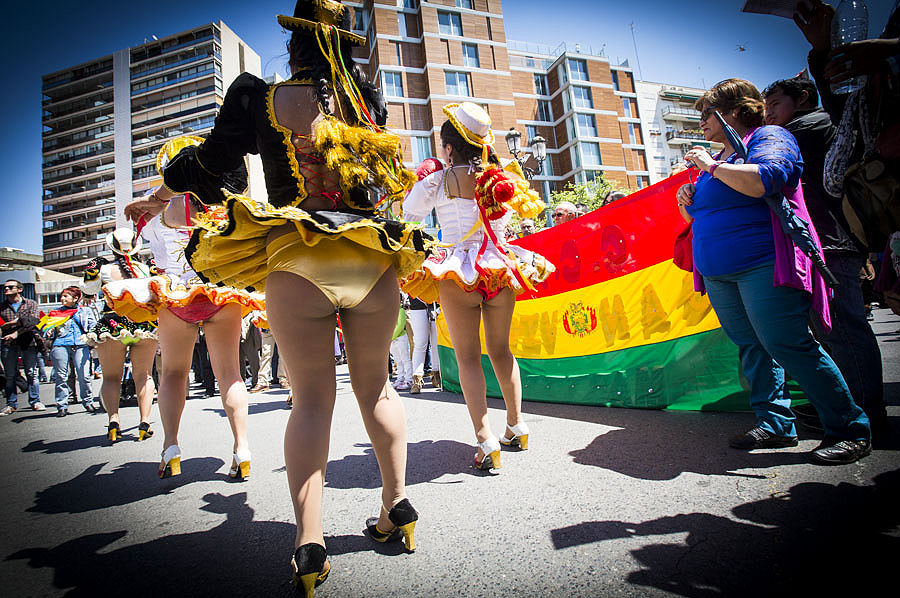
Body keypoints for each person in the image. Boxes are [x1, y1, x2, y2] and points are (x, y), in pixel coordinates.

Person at [125, 2, 434, 593]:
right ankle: (397, 507)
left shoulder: (254, 96)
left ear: (293, 41)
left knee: (312, 400)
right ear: (342, 44)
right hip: (373, 257)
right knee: (377, 387)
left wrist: (157, 193)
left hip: (299, 259)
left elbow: (209, 168)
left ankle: (309, 545)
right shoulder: (366, 96)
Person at [676, 78, 871, 465]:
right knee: (751, 346)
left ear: (732, 112)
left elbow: (767, 179)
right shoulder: (725, 158)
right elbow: (700, 216)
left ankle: (850, 428)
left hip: (763, 264)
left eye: (705, 114)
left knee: (787, 343)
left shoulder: (768, 137)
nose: (701, 123)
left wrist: (711, 167)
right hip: (719, 272)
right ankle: (776, 424)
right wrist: (687, 200)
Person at [402, 101, 554, 470]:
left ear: (450, 147)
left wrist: (427, 176)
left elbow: (409, 213)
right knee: (502, 351)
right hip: (500, 269)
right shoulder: (502, 177)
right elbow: (525, 210)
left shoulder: (438, 180)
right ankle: (517, 426)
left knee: (469, 357)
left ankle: (486, 440)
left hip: (458, 273)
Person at [763, 76, 888, 440]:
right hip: (815, 243)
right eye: (765, 108)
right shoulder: (797, 128)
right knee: (828, 332)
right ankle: (847, 410)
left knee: (843, 331)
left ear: (802, 99)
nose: (768, 116)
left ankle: (866, 415)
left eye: (774, 106)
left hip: (828, 242)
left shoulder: (810, 125)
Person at [109, 191, 263, 481]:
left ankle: (170, 447)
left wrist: (154, 200)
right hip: (219, 292)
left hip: (175, 295)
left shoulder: (155, 207)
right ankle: (242, 449)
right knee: (230, 373)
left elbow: (143, 240)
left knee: (173, 373)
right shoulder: (223, 204)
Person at [82, 228, 159, 442]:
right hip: (143, 324)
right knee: (144, 376)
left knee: (111, 377)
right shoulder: (146, 268)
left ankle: (113, 422)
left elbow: (88, 291)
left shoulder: (104, 269)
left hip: (113, 325)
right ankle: (144, 423)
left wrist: (95, 267)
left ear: (111, 247)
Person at [43, 286, 99, 417]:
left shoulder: (85, 311)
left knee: (84, 375)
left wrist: (93, 336)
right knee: (61, 377)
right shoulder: (55, 312)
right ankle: (62, 405)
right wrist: (49, 330)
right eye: (62, 296)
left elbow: (93, 326)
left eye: (66, 296)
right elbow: (45, 329)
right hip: (60, 345)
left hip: (80, 344)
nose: (62, 298)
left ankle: (88, 401)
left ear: (75, 298)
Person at [0, 280, 45, 415]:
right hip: (8, 343)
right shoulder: (2, 306)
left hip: (28, 341)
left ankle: (35, 401)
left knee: (31, 372)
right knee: (10, 375)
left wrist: (13, 327)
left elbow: (33, 321)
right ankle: (11, 404)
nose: (6, 289)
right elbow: (3, 326)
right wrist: (19, 321)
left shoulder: (31, 303)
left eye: (10, 287)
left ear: (20, 289)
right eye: (5, 287)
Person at [407, 298, 440, 393]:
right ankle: (417, 380)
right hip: (417, 299)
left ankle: (436, 374)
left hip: (436, 300)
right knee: (420, 342)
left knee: (435, 342)